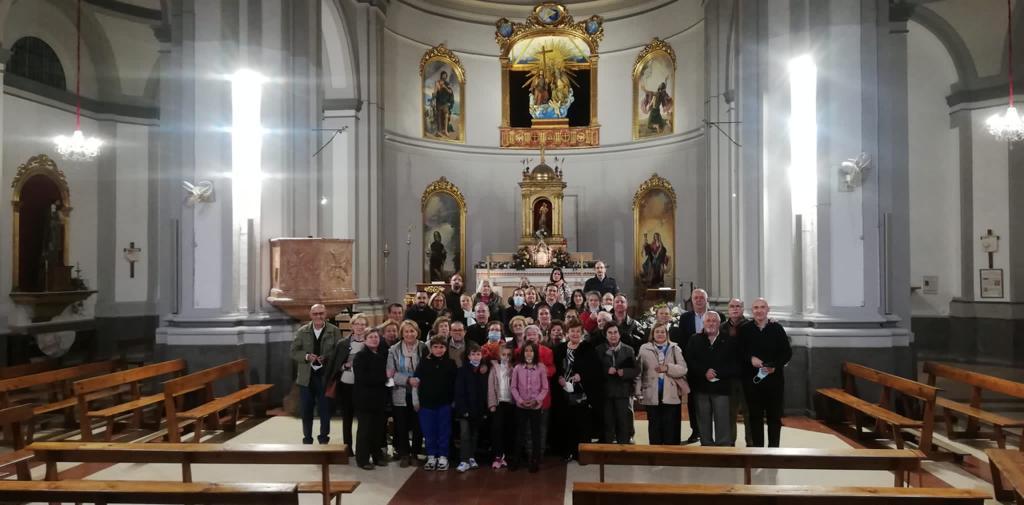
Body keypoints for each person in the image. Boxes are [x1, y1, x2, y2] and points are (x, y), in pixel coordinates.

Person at [742, 298, 792, 448]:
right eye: (756, 307)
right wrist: (750, 359)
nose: (759, 310)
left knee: (774, 417)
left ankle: (774, 449)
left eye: (762, 307)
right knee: (755, 417)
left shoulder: (777, 328)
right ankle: (758, 450)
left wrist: (775, 366)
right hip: (753, 381)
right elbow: (739, 351)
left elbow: (787, 352)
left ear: (768, 310)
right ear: (752, 311)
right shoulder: (746, 329)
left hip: (774, 380)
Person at [289, 304, 341, 445]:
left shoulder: (334, 331)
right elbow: (293, 351)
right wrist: (306, 356)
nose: (318, 316)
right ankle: (307, 439)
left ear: (326, 314)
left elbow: (338, 352)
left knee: (325, 410)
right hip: (307, 378)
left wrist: (327, 357)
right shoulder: (302, 331)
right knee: (306, 410)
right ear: (311, 315)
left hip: (325, 377)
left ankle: (324, 438)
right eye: (315, 314)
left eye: (321, 313)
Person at [675, 288, 721, 444]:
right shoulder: (685, 318)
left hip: (716, 367)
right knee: (694, 401)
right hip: (694, 366)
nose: (699, 300)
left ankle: (713, 432)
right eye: (696, 298)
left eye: (702, 297)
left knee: (716, 401)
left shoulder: (717, 316)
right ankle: (696, 430)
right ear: (692, 301)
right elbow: (682, 342)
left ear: (706, 300)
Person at [686, 312, 739, 446]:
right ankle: (706, 446)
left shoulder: (729, 340)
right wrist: (704, 372)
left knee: (723, 419)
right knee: (703, 420)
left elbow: (735, 364)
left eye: (714, 321)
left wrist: (718, 373)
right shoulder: (695, 339)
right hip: (701, 387)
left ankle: (723, 448)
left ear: (719, 324)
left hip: (722, 387)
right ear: (703, 323)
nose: (711, 323)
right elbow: (689, 361)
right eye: (708, 321)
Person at [554, 319, 602, 460]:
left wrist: (582, 376)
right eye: (572, 331)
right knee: (567, 422)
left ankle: (583, 454)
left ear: (582, 333)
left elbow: (596, 369)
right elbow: (555, 368)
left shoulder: (587, 347)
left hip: (582, 392)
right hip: (564, 391)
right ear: (567, 333)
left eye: (577, 331)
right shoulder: (561, 348)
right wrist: (559, 378)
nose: (575, 334)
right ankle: (568, 451)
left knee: (583, 423)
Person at [637, 323, 688, 444]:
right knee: (654, 424)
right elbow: (639, 372)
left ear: (667, 334)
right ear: (652, 334)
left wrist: (667, 368)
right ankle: (655, 453)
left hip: (670, 392)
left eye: (662, 332)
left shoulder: (675, 348)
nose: (660, 334)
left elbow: (683, 369)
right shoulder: (644, 348)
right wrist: (638, 391)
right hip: (651, 392)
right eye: (657, 332)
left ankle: (670, 453)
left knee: (670, 425)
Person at [414, 336, 458, 471]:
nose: (438, 350)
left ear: (446, 348)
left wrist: (454, 401)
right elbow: (416, 383)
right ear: (430, 348)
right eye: (435, 347)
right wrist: (416, 401)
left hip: (445, 403)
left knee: (444, 431)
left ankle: (443, 456)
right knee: (429, 431)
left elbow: (455, 384)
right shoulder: (423, 363)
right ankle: (431, 455)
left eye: (442, 347)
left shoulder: (451, 363)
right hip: (426, 404)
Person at [387, 321, 427, 467]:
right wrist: (408, 380)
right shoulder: (393, 349)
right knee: (401, 425)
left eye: (412, 331)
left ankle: (415, 453)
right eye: (406, 332)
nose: (409, 334)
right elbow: (390, 373)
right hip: (400, 391)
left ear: (417, 332)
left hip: (419, 390)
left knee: (418, 424)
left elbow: (428, 368)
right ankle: (404, 454)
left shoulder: (424, 347)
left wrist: (418, 380)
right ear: (402, 334)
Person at [332, 313, 370, 454]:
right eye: (357, 324)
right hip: (346, 383)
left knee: (363, 418)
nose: (360, 327)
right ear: (352, 326)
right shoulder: (343, 343)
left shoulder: (370, 342)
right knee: (347, 417)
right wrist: (345, 366)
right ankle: (347, 448)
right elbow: (336, 365)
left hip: (363, 386)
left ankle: (363, 448)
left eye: (363, 324)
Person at [353, 328, 389, 469]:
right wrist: (384, 378)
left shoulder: (381, 354)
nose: (374, 339)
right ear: (365, 339)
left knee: (378, 430)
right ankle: (362, 459)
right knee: (365, 430)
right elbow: (363, 378)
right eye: (371, 337)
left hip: (379, 399)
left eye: (376, 337)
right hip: (364, 399)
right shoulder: (361, 356)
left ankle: (377, 456)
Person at [596, 325, 637, 444]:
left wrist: (624, 372)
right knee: (608, 422)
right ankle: (609, 450)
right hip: (606, 392)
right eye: (610, 333)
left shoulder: (628, 350)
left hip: (623, 391)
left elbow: (635, 370)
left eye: (615, 332)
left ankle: (622, 450)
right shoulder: (599, 350)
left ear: (619, 334)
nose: (613, 335)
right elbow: (594, 370)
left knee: (623, 422)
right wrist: (606, 370)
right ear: (605, 334)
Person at [510, 342, 548, 473]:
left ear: (535, 353)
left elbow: (545, 388)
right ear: (522, 353)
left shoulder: (541, 368)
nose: (529, 353)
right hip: (521, 406)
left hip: (535, 407)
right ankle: (516, 460)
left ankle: (535, 460)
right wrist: (520, 400)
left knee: (535, 434)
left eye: (531, 351)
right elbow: (513, 387)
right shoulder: (517, 368)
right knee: (519, 433)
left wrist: (536, 400)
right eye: (526, 351)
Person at [722, 298, 752, 447]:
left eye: (738, 306)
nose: (735, 309)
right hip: (728, 378)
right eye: (732, 306)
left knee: (749, 412)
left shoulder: (751, 326)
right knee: (729, 413)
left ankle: (751, 443)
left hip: (747, 377)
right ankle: (729, 442)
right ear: (728, 309)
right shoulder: (721, 328)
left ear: (742, 308)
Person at [454, 343, 489, 472]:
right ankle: (463, 460)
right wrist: (463, 410)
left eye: (478, 354)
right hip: (465, 410)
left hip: (478, 409)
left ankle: (471, 458)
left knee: (474, 434)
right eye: (473, 354)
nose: (475, 356)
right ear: (468, 356)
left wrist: (485, 410)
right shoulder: (462, 371)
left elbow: (485, 392)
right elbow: (459, 392)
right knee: (464, 435)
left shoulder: (484, 370)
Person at [487, 343, 516, 469]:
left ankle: (507, 455)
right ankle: (498, 455)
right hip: (498, 403)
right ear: (499, 355)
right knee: (496, 429)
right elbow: (491, 387)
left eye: (509, 355)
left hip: (511, 403)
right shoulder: (494, 368)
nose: (506, 357)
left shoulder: (514, 368)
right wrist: (492, 403)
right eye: (503, 354)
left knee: (509, 429)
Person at [433, 70, 454, 138]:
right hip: (439, 102)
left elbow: (450, 92)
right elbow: (436, 92)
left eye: (445, 76)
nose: (444, 77)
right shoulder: (437, 82)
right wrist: (438, 86)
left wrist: (444, 86)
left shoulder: (447, 83)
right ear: (441, 75)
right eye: (443, 75)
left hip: (445, 103)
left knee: (446, 116)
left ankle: (445, 131)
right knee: (438, 117)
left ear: (446, 76)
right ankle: (439, 131)